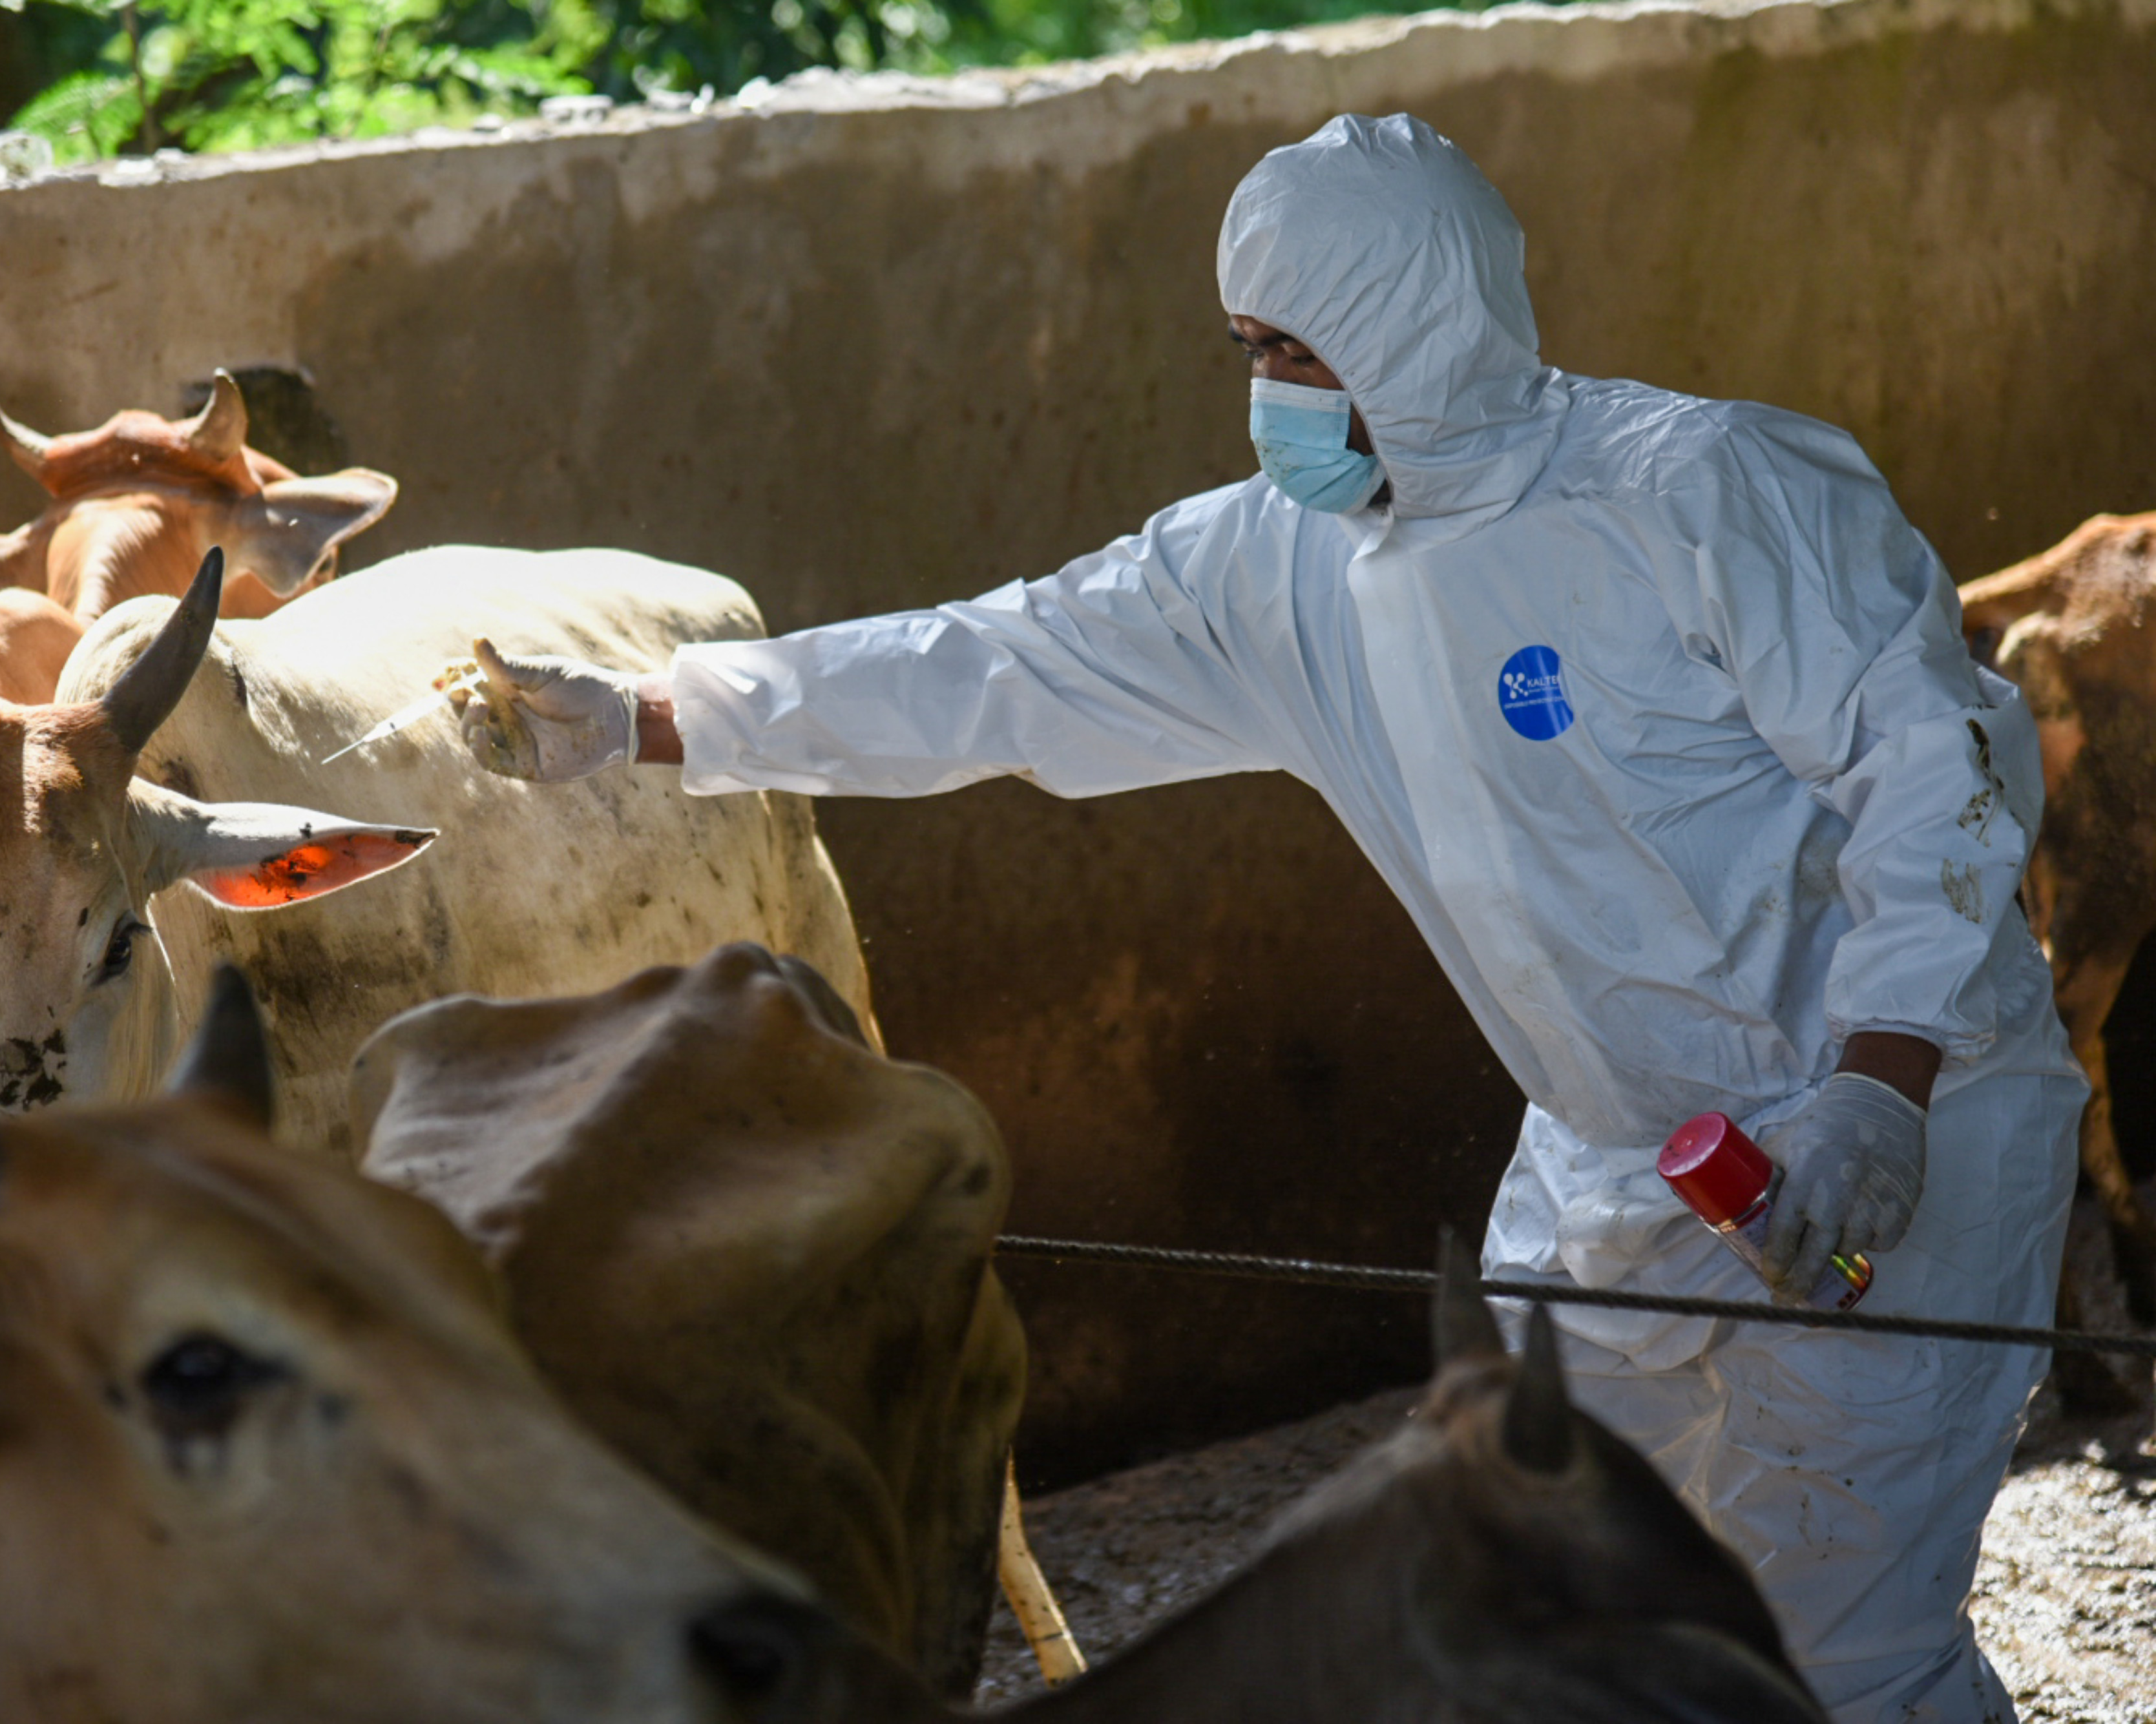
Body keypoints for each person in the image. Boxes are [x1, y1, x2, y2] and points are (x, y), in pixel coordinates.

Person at [435, 113, 2084, 1723]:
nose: (1267, 394)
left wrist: (1878, 1084)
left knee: (1838, 1661)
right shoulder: (1271, 571)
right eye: (1247, 347)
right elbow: (997, 665)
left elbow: (1934, 767)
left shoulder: (1701, 493)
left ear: (1413, 334)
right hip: (1618, 1166)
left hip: (1898, 1130)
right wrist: (654, 718)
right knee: (1549, 1613)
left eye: (1298, 350)